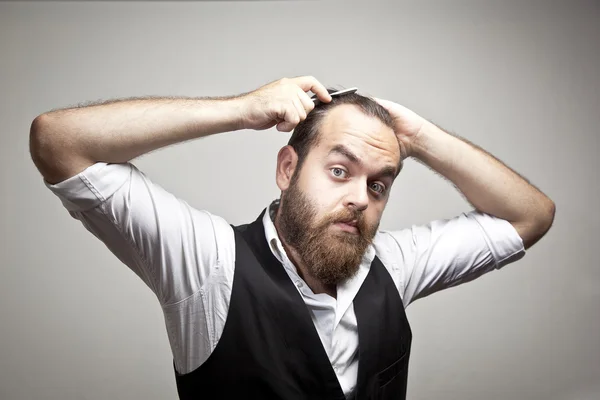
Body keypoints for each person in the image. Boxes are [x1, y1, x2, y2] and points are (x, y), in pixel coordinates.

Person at [29, 76, 555, 399]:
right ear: (287, 169)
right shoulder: (209, 265)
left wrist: (419, 137)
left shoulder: (392, 264)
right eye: (339, 171)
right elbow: (57, 141)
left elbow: (531, 216)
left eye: (379, 184)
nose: (360, 198)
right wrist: (241, 109)